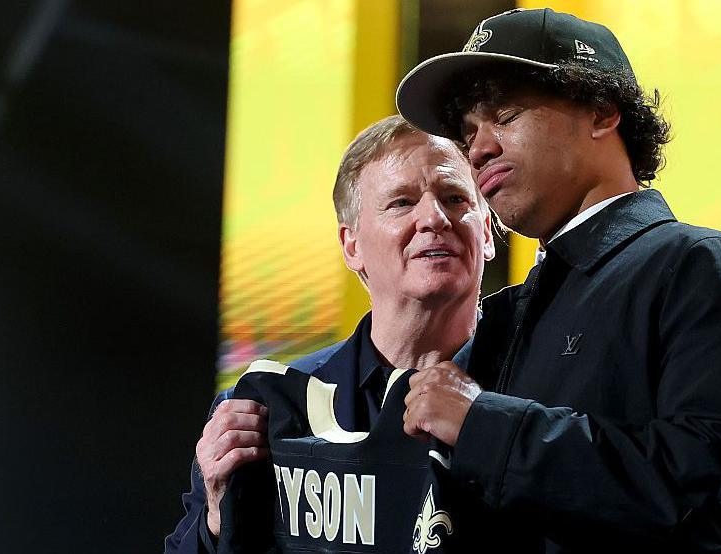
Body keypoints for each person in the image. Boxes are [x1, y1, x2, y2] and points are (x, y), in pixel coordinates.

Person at [396, 8, 721, 553]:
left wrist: (488, 429)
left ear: (601, 111)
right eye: (469, 132)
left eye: (506, 115)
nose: (479, 149)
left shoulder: (698, 265)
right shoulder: (504, 316)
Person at [164, 115, 495, 553]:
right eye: (401, 203)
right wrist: (217, 519)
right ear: (351, 245)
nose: (435, 217)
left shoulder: (538, 389)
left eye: (455, 198)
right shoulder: (265, 409)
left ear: (486, 233)